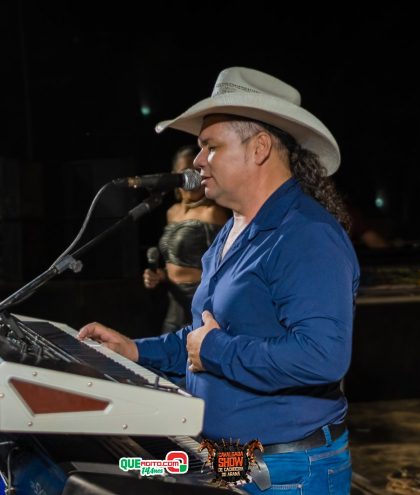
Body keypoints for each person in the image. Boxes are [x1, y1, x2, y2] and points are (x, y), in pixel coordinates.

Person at [79, 67, 360, 494]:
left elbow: (322, 357)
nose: (196, 161)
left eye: (210, 146)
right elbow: (200, 339)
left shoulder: (306, 235)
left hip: (285, 470)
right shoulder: (232, 230)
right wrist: (134, 351)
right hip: (231, 461)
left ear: (260, 147)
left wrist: (215, 350)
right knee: (120, 472)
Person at [143, 145, 230, 333]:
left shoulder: (213, 213)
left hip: (199, 304)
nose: (194, 177)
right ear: (175, 175)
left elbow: (224, 266)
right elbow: (176, 262)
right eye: (186, 172)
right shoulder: (171, 213)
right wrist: (160, 275)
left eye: (197, 171)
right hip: (173, 304)